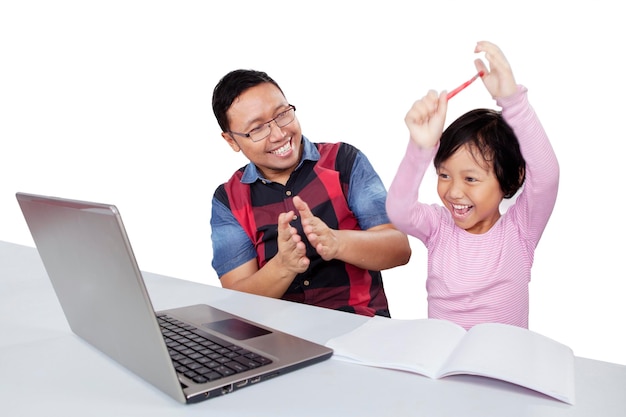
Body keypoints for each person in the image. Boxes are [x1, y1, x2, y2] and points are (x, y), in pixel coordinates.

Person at [386, 41, 559, 329]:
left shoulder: (520, 230)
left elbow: (547, 175)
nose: (453, 192)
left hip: (502, 367)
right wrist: (420, 148)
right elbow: (399, 210)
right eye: (443, 175)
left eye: (470, 179)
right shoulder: (438, 227)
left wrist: (514, 103)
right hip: (445, 366)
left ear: (512, 178)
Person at [210, 69, 411, 317]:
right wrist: (283, 266)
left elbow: (399, 249)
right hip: (281, 340)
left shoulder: (344, 161)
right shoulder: (228, 200)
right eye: (258, 128)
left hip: (361, 330)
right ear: (231, 141)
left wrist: (337, 243)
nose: (279, 134)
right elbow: (237, 302)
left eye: (282, 114)